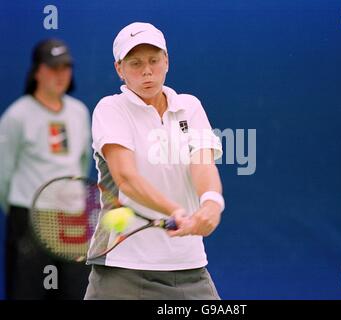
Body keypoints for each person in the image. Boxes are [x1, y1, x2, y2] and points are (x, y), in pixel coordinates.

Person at [85, 22, 225, 300]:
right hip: (121, 269)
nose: (147, 71)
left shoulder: (190, 106)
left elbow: (202, 164)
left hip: (190, 268)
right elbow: (126, 178)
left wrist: (211, 203)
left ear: (167, 61)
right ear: (119, 69)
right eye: (135, 63)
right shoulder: (110, 109)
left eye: (153, 60)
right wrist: (174, 210)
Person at [0, 39, 92, 299]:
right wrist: (22, 216)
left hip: (73, 223)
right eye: (53, 67)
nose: (60, 74)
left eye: (66, 67)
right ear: (37, 71)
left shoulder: (79, 112)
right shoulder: (16, 116)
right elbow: (2, 173)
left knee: (77, 294)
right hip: (29, 220)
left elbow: (82, 164)